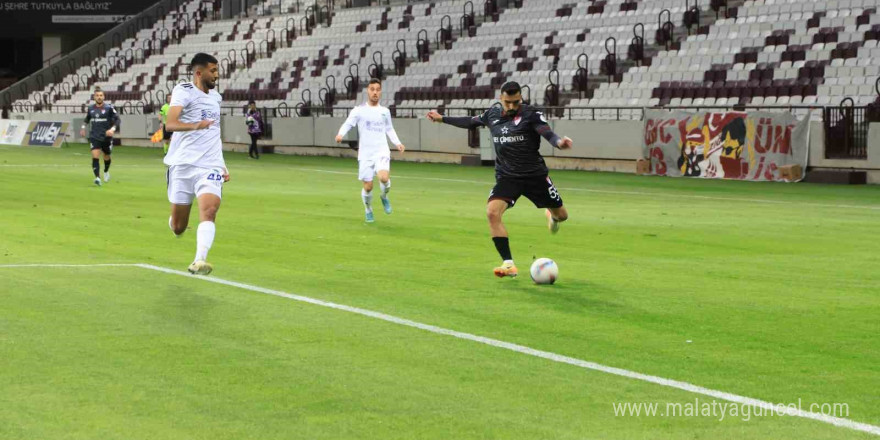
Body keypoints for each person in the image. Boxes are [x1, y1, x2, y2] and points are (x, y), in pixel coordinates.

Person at [426, 81, 573, 278]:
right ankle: (509, 264)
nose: (512, 106)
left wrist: (559, 143)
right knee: (492, 213)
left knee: (562, 215)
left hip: (535, 176)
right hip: (507, 177)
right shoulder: (492, 114)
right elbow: (470, 121)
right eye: (508, 102)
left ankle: (552, 215)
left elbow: (546, 132)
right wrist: (442, 118)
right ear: (500, 98)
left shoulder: (531, 114)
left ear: (520, 98)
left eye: (516, 102)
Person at [163, 53, 229, 275]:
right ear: (199, 73)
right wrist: (196, 125)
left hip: (209, 166)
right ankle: (174, 221)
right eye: (213, 71)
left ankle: (199, 260)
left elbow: (215, 133)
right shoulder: (184, 91)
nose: (216, 75)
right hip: (182, 165)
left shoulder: (217, 98)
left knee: (209, 210)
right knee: (179, 227)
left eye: (217, 70)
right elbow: (170, 124)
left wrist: (222, 164)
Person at [335, 78, 405, 223]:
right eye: (372, 89)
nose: (375, 92)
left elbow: (389, 128)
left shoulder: (385, 111)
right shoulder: (359, 110)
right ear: (368, 91)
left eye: (377, 89)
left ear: (380, 92)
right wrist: (340, 134)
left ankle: (384, 197)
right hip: (366, 154)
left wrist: (397, 143)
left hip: (381, 151)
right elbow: (348, 123)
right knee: (368, 187)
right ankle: (368, 209)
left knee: (384, 178)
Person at [80, 88, 119, 186]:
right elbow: (87, 119)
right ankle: (97, 178)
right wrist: (83, 127)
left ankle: (106, 171)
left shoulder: (109, 108)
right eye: (97, 95)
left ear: (104, 97)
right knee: (95, 156)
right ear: (94, 97)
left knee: (106, 156)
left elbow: (117, 119)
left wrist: (112, 129)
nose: (99, 97)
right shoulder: (91, 108)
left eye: (101, 95)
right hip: (94, 136)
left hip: (106, 137)